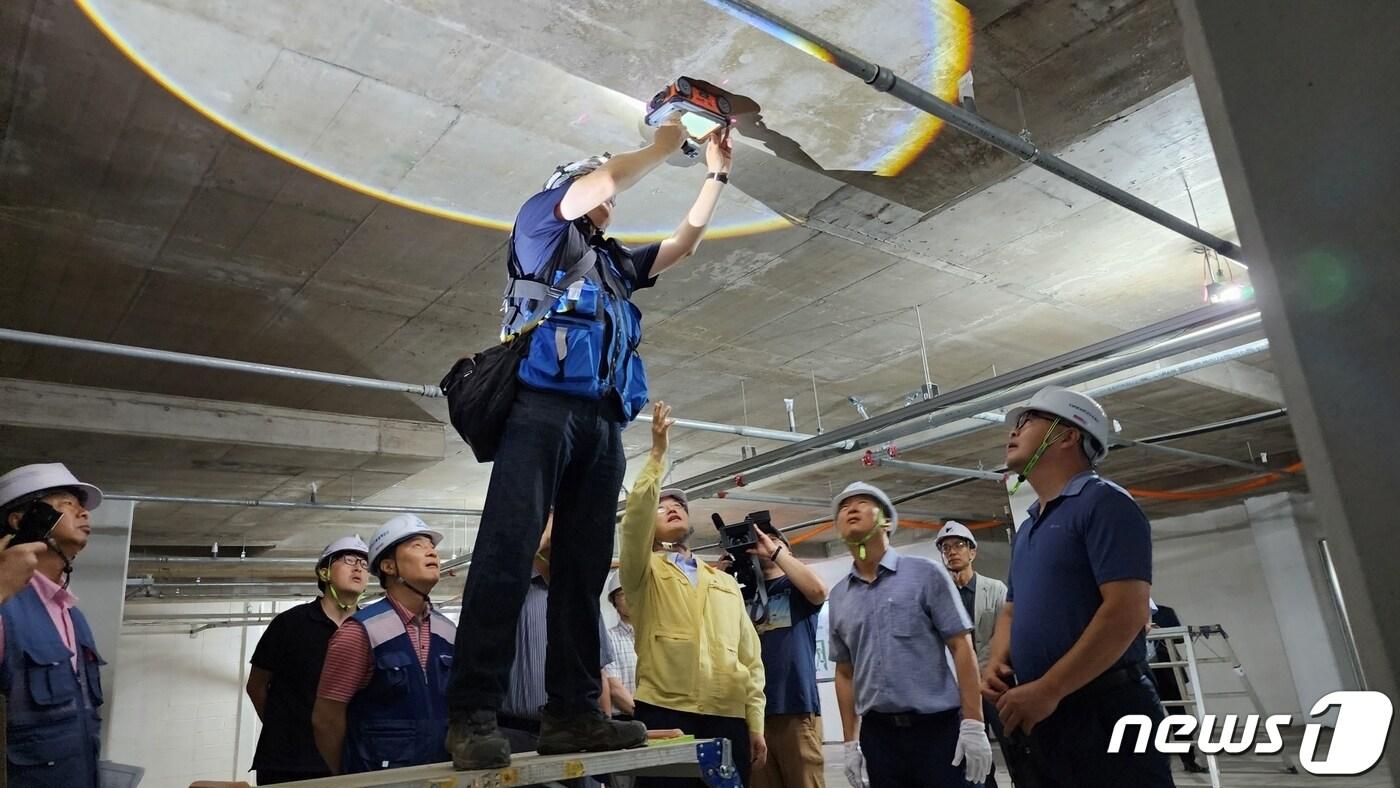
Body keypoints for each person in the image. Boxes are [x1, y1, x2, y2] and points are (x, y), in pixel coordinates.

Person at [446, 118, 736, 771]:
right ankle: (472, 713)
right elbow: (598, 182)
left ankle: (573, 713)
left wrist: (716, 173)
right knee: (507, 554)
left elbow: (682, 243)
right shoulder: (540, 223)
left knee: (582, 569)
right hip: (539, 408)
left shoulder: (610, 263)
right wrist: (666, 143)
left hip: (602, 423)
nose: (612, 198)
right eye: (598, 190)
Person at [981, 386, 1175, 788]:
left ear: (1069, 435)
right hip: (1044, 710)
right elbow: (1013, 608)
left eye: (1029, 420)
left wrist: (1050, 688)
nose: (1014, 431)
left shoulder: (1104, 503)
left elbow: (1126, 612)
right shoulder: (1030, 525)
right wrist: (998, 661)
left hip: (1105, 708)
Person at [620, 402, 767, 786]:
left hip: (728, 715)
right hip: (667, 714)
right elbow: (634, 520)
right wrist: (656, 456)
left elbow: (750, 659)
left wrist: (755, 721)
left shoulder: (722, 582)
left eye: (680, 505)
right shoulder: (643, 571)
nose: (673, 508)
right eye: (663, 506)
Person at [828, 482, 992, 788]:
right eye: (843, 506)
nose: (851, 508)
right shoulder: (839, 596)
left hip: (937, 730)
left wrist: (973, 723)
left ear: (887, 521)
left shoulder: (925, 574)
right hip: (879, 737)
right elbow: (845, 672)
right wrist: (850, 742)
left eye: (863, 502)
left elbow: (960, 646)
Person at [312, 515, 455, 774]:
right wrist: (346, 778)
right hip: (380, 777)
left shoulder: (448, 631)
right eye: (417, 546)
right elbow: (326, 720)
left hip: (440, 774)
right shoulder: (361, 632)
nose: (431, 551)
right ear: (389, 567)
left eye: (432, 546)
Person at [0, 462, 107, 788]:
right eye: (67, 505)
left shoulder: (72, 614)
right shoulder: (6, 605)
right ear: (22, 521)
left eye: (82, 508)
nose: (84, 514)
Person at [246, 535, 370, 784]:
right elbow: (256, 686)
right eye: (348, 560)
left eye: (364, 564)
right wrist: (284, 729)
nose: (358, 567)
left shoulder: (371, 628)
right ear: (324, 572)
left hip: (350, 760)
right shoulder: (290, 623)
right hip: (288, 763)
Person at [750, 523, 827, 788]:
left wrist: (775, 553)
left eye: (773, 540)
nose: (764, 544)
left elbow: (818, 591)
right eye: (759, 541)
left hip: (794, 706)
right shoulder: (741, 594)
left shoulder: (796, 587)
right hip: (754, 715)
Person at [936, 521, 1008, 788]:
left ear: (972, 552)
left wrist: (986, 672)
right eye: (946, 548)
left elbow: (1004, 635)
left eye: (958, 546)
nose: (952, 551)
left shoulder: (996, 589)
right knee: (972, 758)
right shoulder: (939, 596)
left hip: (995, 685)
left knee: (1014, 747)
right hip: (959, 690)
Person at [1148, 602, 1206, 774]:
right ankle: (1158, 763)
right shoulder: (1127, 611)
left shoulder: (1165, 611)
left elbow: (1180, 636)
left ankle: (1189, 761)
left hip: (1168, 669)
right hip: (1143, 670)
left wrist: (1160, 631)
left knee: (1179, 715)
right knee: (1150, 717)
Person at [603, 570, 638, 717]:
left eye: (634, 591)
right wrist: (642, 714)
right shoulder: (608, 639)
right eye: (623, 593)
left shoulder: (653, 638)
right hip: (626, 720)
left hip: (659, 718)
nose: (630, 598)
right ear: (614, 601)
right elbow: (614, 688)